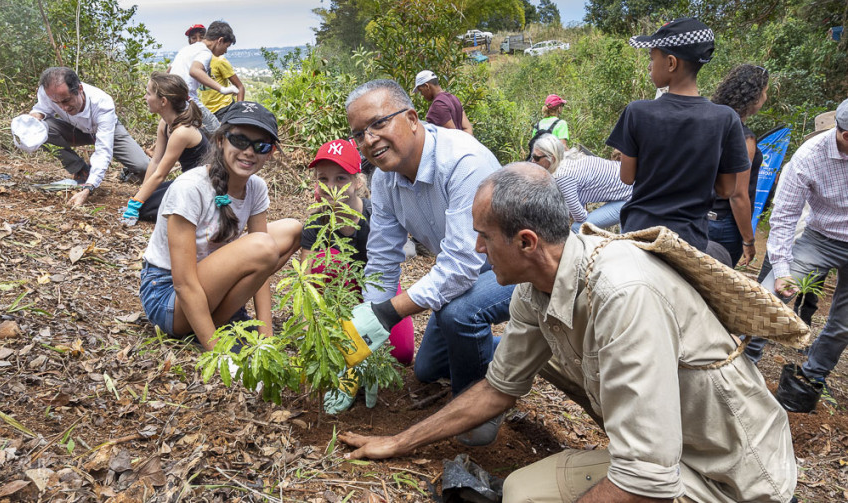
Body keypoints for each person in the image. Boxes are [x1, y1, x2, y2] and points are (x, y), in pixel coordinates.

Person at [340, 163, 798, 503]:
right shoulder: (537, 287)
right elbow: (499, 389)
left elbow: (646, 478)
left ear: (526, 242)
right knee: (520, 491)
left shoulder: (621, 294)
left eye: (484, 235)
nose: (477, 247)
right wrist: (398, 442)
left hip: (736, 482)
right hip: (671, 460)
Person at [338, 79, 513, 445]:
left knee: (459, 315)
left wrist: (386, 315)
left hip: (518, 268)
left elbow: (462, 266)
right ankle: (517, 351)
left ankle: (478, 406)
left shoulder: (464, 162)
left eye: (379, 123)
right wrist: (368, 325)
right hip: (466, 273)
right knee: (427, 369)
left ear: (413, 118)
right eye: (359, 133)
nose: (369, 139)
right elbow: (383, 256)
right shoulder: (385, 179)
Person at [140, 101, 301, 351]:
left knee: (292, 230)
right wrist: (217, 353)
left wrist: (265, 336)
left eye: (260, 146)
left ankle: (220, 320)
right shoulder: (190, 188)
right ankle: (208, 332)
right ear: (220, 140)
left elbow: (263, 270)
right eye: (239, 140)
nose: (249, 152)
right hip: (167, 295)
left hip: (207, 282)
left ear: (270, 153)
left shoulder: (255, 187)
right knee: (263, 246)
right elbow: (182, 282)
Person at [606, 17, 750, 264]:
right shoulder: (725, 118)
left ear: (671, 62)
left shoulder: (637, 112)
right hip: (690, 239)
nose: (650, 66)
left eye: (652, 58)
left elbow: (627, 177)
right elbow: (726, 189)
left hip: (639, 232)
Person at [743, 98, 848, 399]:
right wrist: (782, 271)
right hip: (820, 239)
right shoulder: (808, 158)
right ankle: (741, 366)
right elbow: (785, 217)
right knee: (767, 298)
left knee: (843, 323)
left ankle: (811, 379)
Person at [300, 139, 415, 412]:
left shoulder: (377, 216)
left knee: (402, 354)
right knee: (324, 262)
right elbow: (308, 285)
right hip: (336, 297)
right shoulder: (315, 223)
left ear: (358, 182)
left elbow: (388, 269)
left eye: (341, 178)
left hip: (378, 290)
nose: (332, 186)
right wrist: (311, 334)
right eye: (324, 178)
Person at [28, 67, 149, 207]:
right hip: (75, 129)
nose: (63, 107)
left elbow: (103, 150)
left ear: (79, 89)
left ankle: (130, 174)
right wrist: (34, 118)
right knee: (41, 129)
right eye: (57, 103)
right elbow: (42, 109)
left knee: (143, 166)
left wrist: (89, 188)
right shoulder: (48, 92)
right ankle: (81, 170)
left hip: (107, 130)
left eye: (66, 100)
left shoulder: (102, 103)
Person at [121, 72, 210, 224]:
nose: (145, 97)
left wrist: (137, 203)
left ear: (163, 101)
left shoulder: (182, 132)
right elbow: (155, 161)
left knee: (147, 208)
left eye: (148, 94)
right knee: (147, 201)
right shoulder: (165, 124)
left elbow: (161, 174)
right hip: (187, 181)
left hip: (204, 186)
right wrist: (141, 194)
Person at [708, 64, 769, 266]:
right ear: (754, 96)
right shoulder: (744, 138)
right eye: (765, 92)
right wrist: (748, 240)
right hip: (723, 225)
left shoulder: (707, 121)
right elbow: (737, 194)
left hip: (695, 215)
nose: (766, 98)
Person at [532, 134, 632, 233]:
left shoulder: (562, 177)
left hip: (630, 196)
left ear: (552, 158)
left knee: (578, 228)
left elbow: (580, 216)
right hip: (630, 180)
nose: (532, 161)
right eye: (532, 156)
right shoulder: (567, 158)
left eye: (536, 158)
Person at [169, 20, 240, 133]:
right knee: (217, 132)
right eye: (227, 46)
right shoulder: (205, 52)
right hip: (187, 100)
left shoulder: (187, 49)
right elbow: (195, 71)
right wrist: (223, 89)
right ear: (220, 40)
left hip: (172, 99)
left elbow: (169, 71)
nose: (225, 51)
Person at [410, 70, 473, 135]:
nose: (422, 95)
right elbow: (468, 128)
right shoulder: (454, 98)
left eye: (421, 90)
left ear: (427, 86)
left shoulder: (438, 105)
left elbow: (453, 137)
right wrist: (465, 143)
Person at [200, 55, 245, 119]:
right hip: (207, 110)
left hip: (224, 108)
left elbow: (240, 86)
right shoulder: (196, 62)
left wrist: (238, 111)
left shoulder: (219, 60)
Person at [527, 94, 568, 158]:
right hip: (553, 161)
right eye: (562, 105)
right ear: (558, 108)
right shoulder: (561, 123)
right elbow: (563, 147)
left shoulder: (537, 125)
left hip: (539, 161)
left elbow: (534, 146)